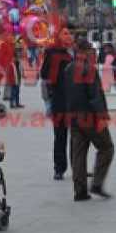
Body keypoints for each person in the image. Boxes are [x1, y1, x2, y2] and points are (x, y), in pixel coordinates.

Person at [66, 39, 114, 201]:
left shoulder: (68, 69)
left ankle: (79, 191)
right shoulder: (89, 69)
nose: (92, 53)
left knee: (78, 153)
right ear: (84, 51)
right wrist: (102, 117)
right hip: (90, 117)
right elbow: (95, 96)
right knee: (106, 147)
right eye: (90, 51)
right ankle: (97, 183)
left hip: (73, 116)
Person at [40, 26, 74, 180]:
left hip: (75, 100)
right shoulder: (52, 52)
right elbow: (44, 74)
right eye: (65, 33)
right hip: (60, 100)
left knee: (77, 137)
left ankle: (78, 167)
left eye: (70, 34)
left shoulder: (73, 52)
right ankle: (59, 168)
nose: (69, 36)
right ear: (58, 36)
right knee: (60, 136)